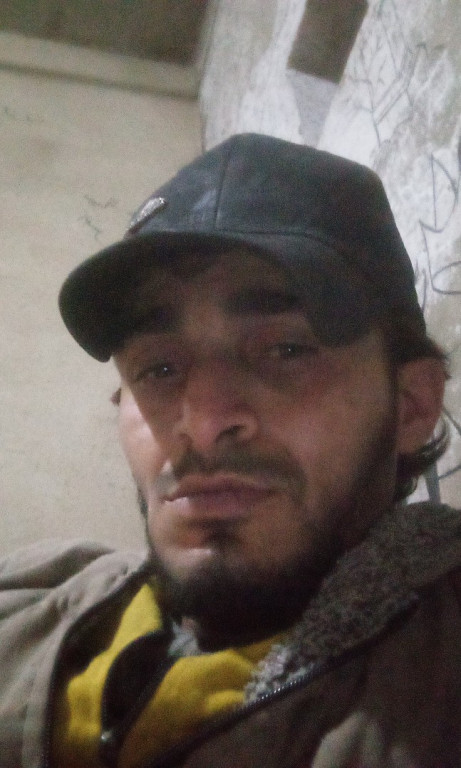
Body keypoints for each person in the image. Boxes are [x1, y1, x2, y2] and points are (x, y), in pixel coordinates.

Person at [1, 133, 460, 768]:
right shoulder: (28, 603)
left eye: (287, 350)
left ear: (410, 404)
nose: (203, 421)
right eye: (159, 369)